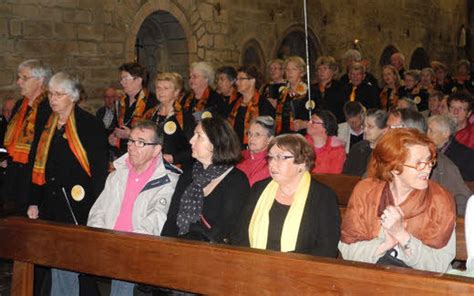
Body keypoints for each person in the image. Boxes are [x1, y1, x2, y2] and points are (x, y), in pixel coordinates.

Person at [27, 72, 108, 295]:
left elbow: (99, 172)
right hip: (50, 203)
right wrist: (33, 201)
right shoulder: (48, 124)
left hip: (78, 205)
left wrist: (97, 210)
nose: (53, 99)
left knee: (75, 261)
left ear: (72, 97)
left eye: (59, 94)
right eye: (51, 94)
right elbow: (38, 163)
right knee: (55, 259)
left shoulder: (89, 125)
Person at [339, 128, 456, 273]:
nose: (427, 169)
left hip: (421, 285)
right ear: (394, 168)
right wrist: (384, 245)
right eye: (419, 163)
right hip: (370, 277)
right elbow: (347, 247)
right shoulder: (366, 192)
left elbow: (439, 265)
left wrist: (403, 236)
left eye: (429, 161)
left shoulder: (440, 200)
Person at [88, 120, 180, 295]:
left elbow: (156, 219)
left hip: (138, 254)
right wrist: (101, 239)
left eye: (141, 142)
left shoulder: (168, 180)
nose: (131, 147)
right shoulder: (116, 175)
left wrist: (126, 247)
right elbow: (98, 210)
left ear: (157, 150)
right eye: (130, 140)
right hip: (108, 248)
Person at [231, 133, 340, 256]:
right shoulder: (259, 189)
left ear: (302, 162)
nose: (272, 163)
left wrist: (283, 265)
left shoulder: (323, 197)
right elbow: (239, 233)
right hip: (255, 264)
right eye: (271, 157)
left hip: (300, 269)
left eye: (281, 157)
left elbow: (326, 248)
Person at [162, 117, 250, 243]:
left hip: (213, 254)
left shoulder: (236, 181)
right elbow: (171, 220)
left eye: (199, 136)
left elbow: (224, 230)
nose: (191, 141)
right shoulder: (188, 174)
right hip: (177, 249)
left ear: (216, 143)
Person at [386, 108, 471, 216]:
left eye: (391, 128)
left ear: (410, 131)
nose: (385, 132)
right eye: (386, 127)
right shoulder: (382, 158)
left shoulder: (441, 166)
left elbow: (462, 203)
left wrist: (434, 216)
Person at [2, 59, 52, 216]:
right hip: (13, 175)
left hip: (33, 180)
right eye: (19, 77)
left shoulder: (48, 108)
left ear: (40, 80)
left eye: (24, 78)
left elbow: (43, 149)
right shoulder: (19, 105)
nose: (18, 82)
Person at [144, 72, 195, 169]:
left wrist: (173, 158)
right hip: (149, 166)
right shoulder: (149, 114)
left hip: (175, 168)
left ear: (176, 92)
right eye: (158, 88)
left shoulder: (184, 117)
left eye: (166, 88)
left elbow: (193, 148)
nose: (160, 91)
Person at [109, 62, 158, 157]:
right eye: (121, 79)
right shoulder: (121, 101)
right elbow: (114, 125)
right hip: (121, 154)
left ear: (138, 80)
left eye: (125, 78)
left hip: (141, 154)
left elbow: (154, 133)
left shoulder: (152, 102)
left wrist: (130, 134)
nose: (121, 82)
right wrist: (112, 136)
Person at [228, 65, 272, 147]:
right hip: (234, 149)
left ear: (252, 81)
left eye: (241, 79)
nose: (237, 82)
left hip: (254, 148)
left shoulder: (263, 104)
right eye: (236, 79)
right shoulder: (234, 104)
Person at [427, 115, 474, 181]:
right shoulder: (429, 150)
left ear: (446, 133)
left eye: (431, 131)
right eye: (427, 130)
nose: (426, 134)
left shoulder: (466, 155)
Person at [343, 109, 388, 176]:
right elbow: (346, 177)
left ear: (384, 130)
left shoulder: (389, 152)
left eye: (370, 126)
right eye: (364, 126)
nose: (365, 130)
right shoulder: (357, 148)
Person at [273, 56, 310, 134]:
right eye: (287, 69)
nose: (290, 72)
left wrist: (305, 124)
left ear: (302, 72)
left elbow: (320, 117)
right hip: (284, 135)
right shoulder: (282, 93)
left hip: (303, 135)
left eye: (294, 69)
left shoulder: (310, 92)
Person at [236, 116, 274, 186]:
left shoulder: (270, 164)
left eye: (257, 135)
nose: (251, 138)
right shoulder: (239, 155)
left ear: (270, 139)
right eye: (250, 133)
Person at [305, 110, 346, 174]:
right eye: (309, 120)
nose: (308, 123)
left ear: (325, 128)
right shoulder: (301, 145)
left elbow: (334, 177)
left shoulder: (337, 150)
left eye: (313, 121)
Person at [312, 56, 345, 123]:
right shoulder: (312, 88)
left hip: (336, 123)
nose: (321, 71)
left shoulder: (341, 87)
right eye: (319, 69)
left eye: (325, 68)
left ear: (332, 71)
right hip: (316, 123)